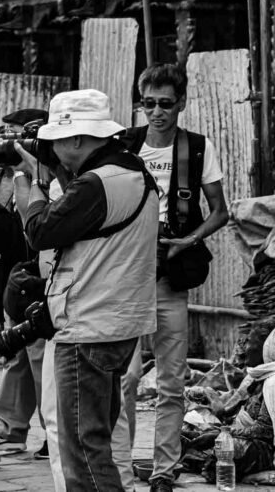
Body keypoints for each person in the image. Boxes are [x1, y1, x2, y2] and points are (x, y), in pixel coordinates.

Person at [12, 89, 158, 491]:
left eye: (56, 139)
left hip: (89, 323)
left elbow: (41, 231)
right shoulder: (130, 172)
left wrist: (33, 189)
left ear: (76, 138)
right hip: (117, 321)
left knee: (82, 448)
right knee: (97, 440)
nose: (52, 148)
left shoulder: (97, 183)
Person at [112, 64, 229, 492]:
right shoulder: (124, 145)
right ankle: (120, 469)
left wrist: (187, 241)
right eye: (148, 104)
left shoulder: (196, 147)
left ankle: (164, 471)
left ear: (180, 104)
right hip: (126, 277)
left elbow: (221, 210)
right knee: (122, 378)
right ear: (140, 104)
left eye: (165, 104)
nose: (156, 112)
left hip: (170, 278)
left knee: (171, 380)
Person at [0, 108, 50, 459]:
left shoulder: (47, 174)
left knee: (38, 358)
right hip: (14, 276)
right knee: (15, 354)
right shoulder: (0, 176)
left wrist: (30, 171)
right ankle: (10, 429)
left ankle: (52, 431)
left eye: (16, 135)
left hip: (41, 276)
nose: (8, 142)